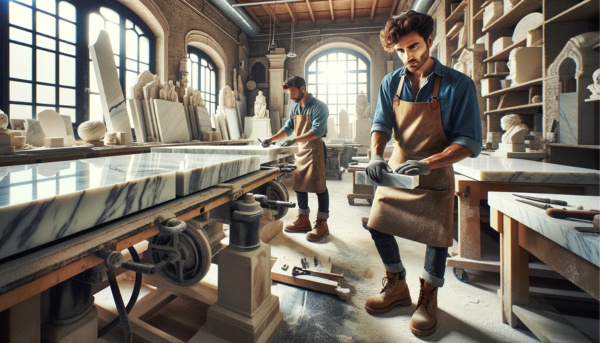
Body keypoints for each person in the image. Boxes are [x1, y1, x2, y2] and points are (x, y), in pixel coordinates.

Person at [364, 11, 482, 337]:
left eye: (413, 47)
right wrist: (376, 155)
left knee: (436, 235)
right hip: (399, 165)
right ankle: (397, 284)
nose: (408, 57)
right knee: (377, 224)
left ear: (430, 40)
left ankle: (428, 297)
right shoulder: (392, 83)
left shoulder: (459, 85)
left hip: (437, 168)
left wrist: (430, 163)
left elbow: (470, 141)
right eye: (401, 51)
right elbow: (381, 124)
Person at [260, 76, 330, 242]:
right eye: (288, 93)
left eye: (293, 92)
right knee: (299, 185)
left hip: (315, 149)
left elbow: (318, 131)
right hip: (301, 149)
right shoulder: (296, 109)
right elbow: (287, 129)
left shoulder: (319, 106)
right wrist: (271, 139)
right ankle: (303, 219)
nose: (290, 96)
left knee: (319, 186)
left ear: (303, 88)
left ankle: (322, 223)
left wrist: (294, 140)